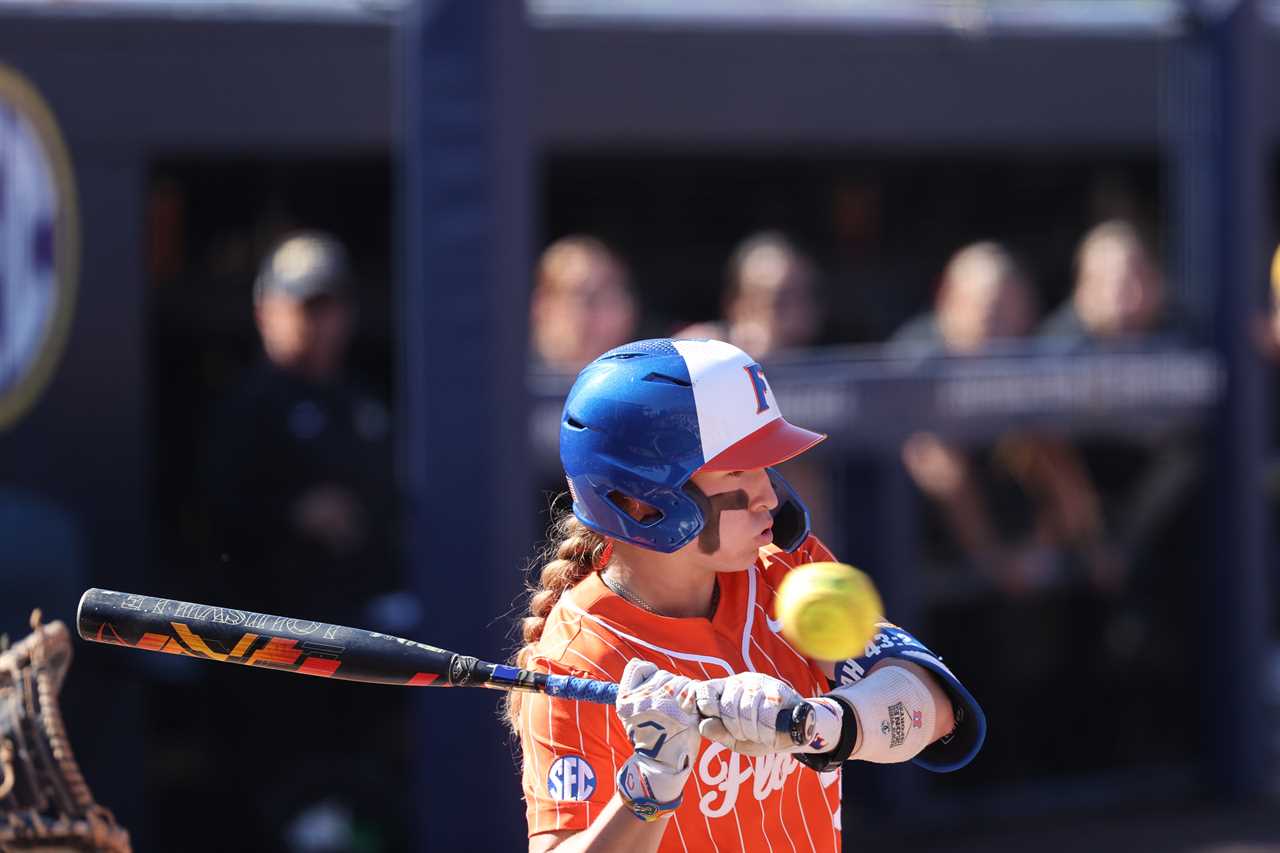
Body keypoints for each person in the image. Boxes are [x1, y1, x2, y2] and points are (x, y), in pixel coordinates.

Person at [508, 338, 986, 852]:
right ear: (641, 502)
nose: (767, 495)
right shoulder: (575, 660)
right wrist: (648, 787)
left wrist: (815, 725)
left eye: (763, 465)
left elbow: (935, 711)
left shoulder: (785, 571)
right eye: (738, 470)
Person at [199, 231, 409, 852]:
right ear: (267, 309)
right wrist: (292, 513)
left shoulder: (363, 405)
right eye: (304, 306)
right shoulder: (244, 408)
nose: (319, 323)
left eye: (330, 306)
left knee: (362, 807)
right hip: (268, 660)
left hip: (360, 660)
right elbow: (210, 517)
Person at [1039, 219, 1190, 350]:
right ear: (1083, 292)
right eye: (1120, 287)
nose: (1134, 299)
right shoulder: (1056, 352)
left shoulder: (1185, 341)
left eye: (1143, 280)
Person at [675, 232, 820, 358]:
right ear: (736, 306)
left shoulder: (834, 364)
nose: (797, 316)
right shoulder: (697, 355)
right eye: (778, 303)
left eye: (805, 298)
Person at [531, 236, 639, 373]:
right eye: (589, 298)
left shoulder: (647, 382)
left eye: (619, 296)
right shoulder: (501, 378)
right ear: (543, 306)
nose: (614, 317)